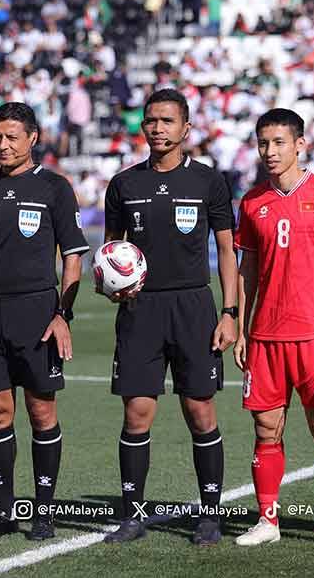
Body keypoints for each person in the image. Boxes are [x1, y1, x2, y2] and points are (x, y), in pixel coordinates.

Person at [101, 88, 238, 546]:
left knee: (200, 411)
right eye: (150, 121)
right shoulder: (124, 184)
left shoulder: (208, 182)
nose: (157, 128)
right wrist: (112, 286)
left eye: (166, 121)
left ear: (186, 128)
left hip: (194, 308)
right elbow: (111, 251)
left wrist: (230, 311)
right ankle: (132, 515)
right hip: (140, 311)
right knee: (137, 413)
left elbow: (225, 249)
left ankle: (210, 516)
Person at [0, 102, 89, 541]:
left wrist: (62, 314)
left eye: (12, 137)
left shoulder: (54, 187)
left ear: (33, 139)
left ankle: (43, 513)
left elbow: (72, 258)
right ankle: (4, 512)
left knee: (41, 410)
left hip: (37, 314)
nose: (3, 145)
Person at [232, 108, 314, 549]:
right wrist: (244, 328)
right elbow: (247, 269)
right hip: (266, 337)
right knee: (266, 429)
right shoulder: (252, 202)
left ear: (300, 144)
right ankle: (268, 520)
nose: (270, 151)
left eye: (279, 143)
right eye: (263, 143)